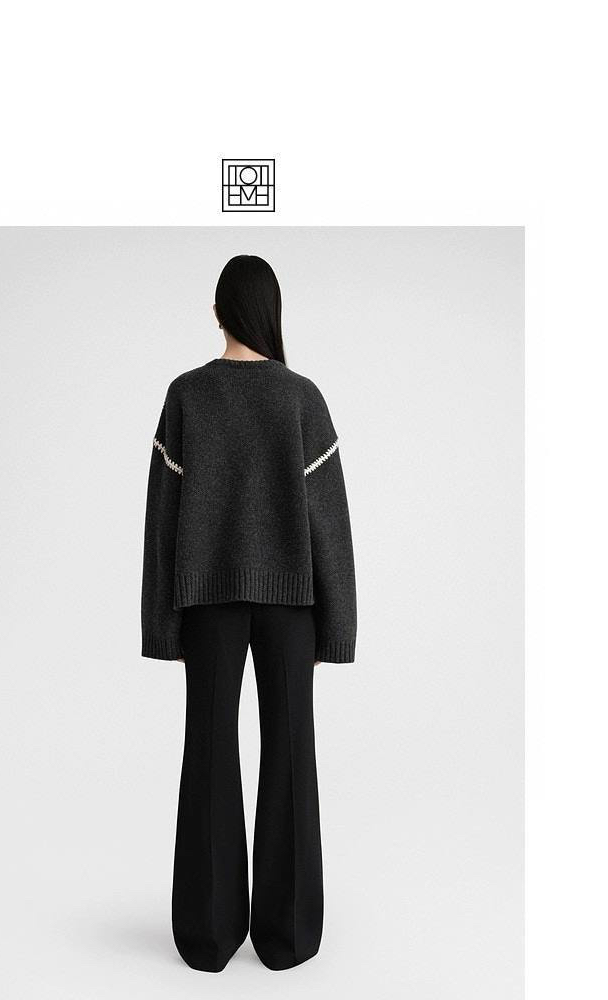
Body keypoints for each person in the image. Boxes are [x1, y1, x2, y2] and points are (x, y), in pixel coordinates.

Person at [140, 254, 357, 972]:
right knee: (291, 751)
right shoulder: (301, 398)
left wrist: (161, 623)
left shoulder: (186, 395)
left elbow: (162, 518)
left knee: (207, 751)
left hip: (206, 601)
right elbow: (329, 522)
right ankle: (288, 937)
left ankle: (207, 937)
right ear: (273, 312)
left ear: (217, 312)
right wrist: (338, 626)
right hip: (292, 604)